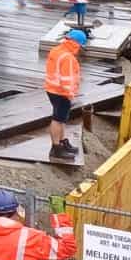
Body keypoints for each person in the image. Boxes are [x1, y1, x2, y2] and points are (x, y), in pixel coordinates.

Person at [44, 28, 87, 161]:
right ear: (76, 43)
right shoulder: (68, 57)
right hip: (61, 92)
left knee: (61, 118)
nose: (80, 49)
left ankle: (62, 142)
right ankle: (56, 148)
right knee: (58, 119)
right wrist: (70, 94)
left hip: (52, 89)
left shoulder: (56, 50)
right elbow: (66, 78)